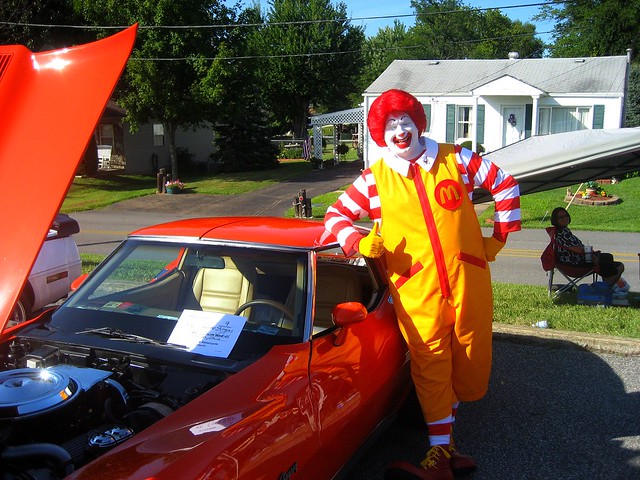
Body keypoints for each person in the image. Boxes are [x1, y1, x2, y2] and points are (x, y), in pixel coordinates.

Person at [323, 89, 521, 479]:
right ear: (381, 133)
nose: (400, 130)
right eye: (390, 125)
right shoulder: (376, 178)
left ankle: (447, 446)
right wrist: (358, 241)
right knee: (430, 366)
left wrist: (497, 238)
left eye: (405, 121)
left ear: (418, 123)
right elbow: (333, 216)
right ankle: (440, 451)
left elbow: (505, 184)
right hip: (416, 291)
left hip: (468, 280)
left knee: (468, 358)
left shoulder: (455, 158)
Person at [550, 207, 625, 288]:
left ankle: (605, 285)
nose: (565, 218)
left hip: (572, 262)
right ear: (555, 220)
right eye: (561, 217)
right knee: (615, 264)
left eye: (566, 215)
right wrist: (592, 255)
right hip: (575, 265)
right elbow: (576, 249)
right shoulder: (562, 233)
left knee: (607, 260)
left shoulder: (561, 231)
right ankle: (604, 288)